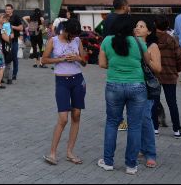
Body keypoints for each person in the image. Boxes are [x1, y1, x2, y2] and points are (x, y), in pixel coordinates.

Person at [97, 15, 151, 175]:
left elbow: (101, 64)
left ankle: (107, 162)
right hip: (137, 85)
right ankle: (131, 165)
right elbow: (147, 61)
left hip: (114, 85)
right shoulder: (139, 42)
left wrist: (115, 66)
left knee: (112, 123)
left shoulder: (107, 41)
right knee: (135, 126)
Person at [42, 19, 87, 166]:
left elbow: (85, 61)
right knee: (63, 118)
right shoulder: (53, 41)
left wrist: (78, 58)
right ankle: (52, 153)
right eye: (72, 35)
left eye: (75, 35)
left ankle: (70, 152)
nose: (73, 37)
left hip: (77, 80)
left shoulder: (77, 40)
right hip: (62, 81)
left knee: (76, 115)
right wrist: (60, 59)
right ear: (65, 30)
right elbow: (44, 60)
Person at [134, 20, 161, 169]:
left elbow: (158, 68)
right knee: (136, 119)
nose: (137, 28)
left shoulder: (152, 46)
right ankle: (142, 148)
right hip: (133, 85)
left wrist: (146, 58)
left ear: (149, 31)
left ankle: (151, 153)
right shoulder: (132, 44)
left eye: (142, 26)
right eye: (137, 26)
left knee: (145, 118)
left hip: (146, 87)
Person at [153, 15, 181, 139]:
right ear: (167, 26)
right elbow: (180, 56)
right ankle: (177, 130)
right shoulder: (172, 40)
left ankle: (154, 128)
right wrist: (177, 69)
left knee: (154, 102)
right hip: (170, 74)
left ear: (155, 25)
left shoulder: (151, 40)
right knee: (172, 103)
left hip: (155, 75)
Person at [5, 4, 25, 81]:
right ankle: (5, 74)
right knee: (6, 58)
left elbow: (21, 28)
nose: (7, 10)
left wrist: (11, 26)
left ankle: (14, 74)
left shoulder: (16, 17)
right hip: (5, 41)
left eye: (9, 9)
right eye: (6, 9)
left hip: (14, 41)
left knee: (14, 58)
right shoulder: (4, 17)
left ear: (12, 10)